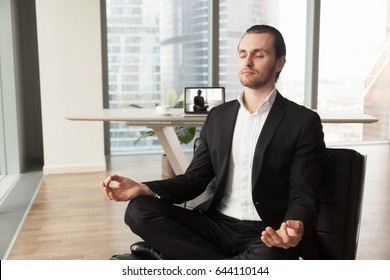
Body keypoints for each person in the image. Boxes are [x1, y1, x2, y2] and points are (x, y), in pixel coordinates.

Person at [101, 24, 325, 260]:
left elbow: (304, 192)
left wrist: (295, 227)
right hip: (215, 225)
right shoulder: (218, 116)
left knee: (273, 252)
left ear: (279, 63)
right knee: (138, 210)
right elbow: (195, 180)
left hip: (266, 232)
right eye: (242, 54)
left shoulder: (302, 121)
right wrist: (145, 188)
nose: (247, 62)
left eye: (259, 55)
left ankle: (180, 258)